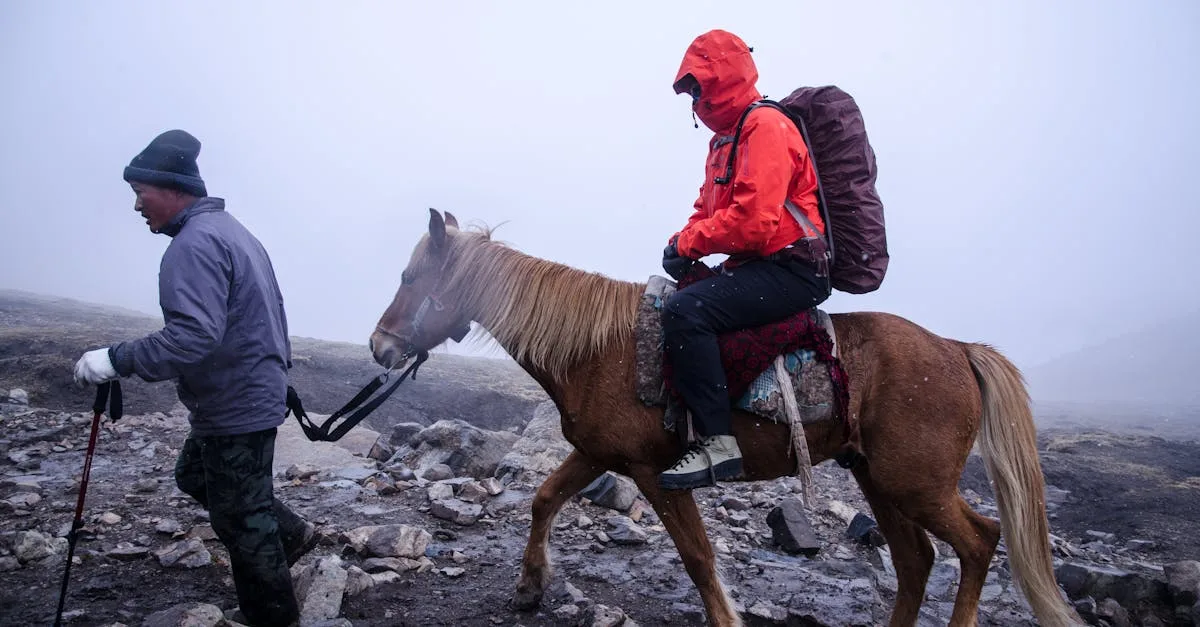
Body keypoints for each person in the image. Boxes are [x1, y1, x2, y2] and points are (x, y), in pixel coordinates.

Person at [72, 129, 315, 626]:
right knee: (197, 477)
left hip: (234, 402)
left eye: (141, 195)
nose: (138, 206)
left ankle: (273, 616)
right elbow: (266, 313)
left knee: (240, 520)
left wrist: (116, 359)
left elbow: (191, 338)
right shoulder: (232, 231)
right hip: (247, 392)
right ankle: (290, 536)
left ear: (173, 189)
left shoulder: (194, 245)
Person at [658, 30, 832, 491]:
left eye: (698, 86)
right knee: (679, 294)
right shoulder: (723, 143)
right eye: (689, 90)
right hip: (761, 265)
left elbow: (754, 221)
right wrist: (681, 241)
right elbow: (707, 210)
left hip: (794, 268)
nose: (694, 98)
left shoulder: (765, 127)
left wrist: (693, 243)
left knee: (685, 311)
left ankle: (719, 443)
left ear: (724, 77)